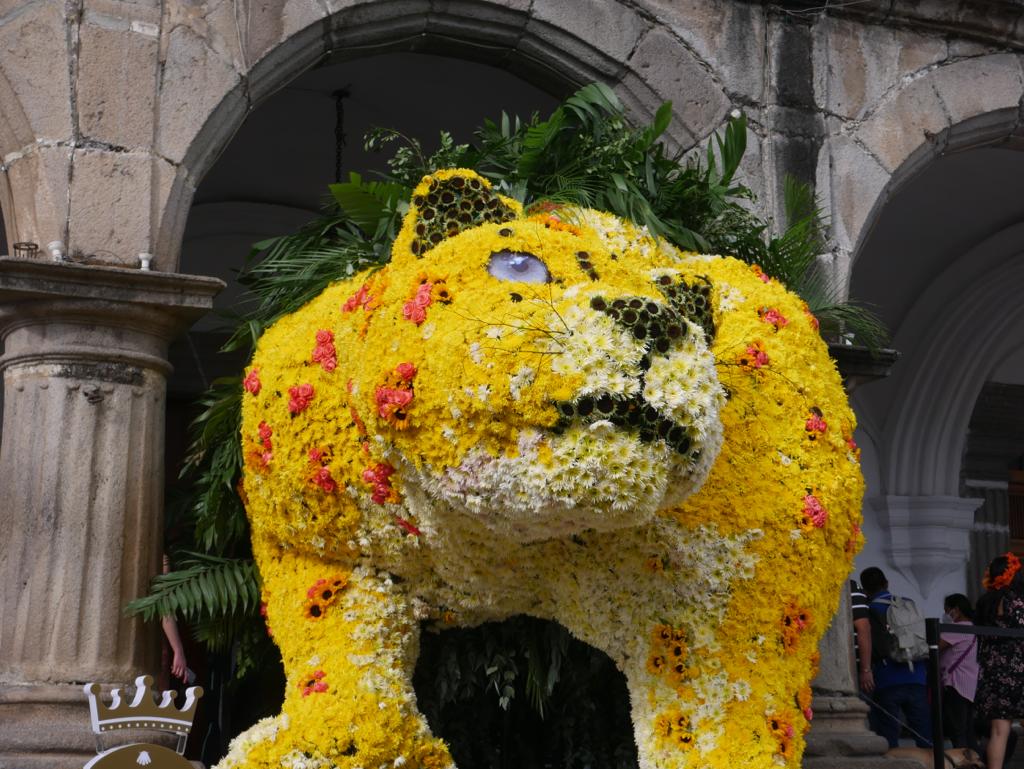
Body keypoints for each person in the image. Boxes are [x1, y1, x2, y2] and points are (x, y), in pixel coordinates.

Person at [860, 566, 932, 748]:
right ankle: (932, 761)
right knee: (924, 734)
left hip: (887, 678)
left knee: (888, 736)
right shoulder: (908, 603)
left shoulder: (870, 610)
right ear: (886, 583)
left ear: (865, 590)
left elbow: (875, 648)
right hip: (917, 675)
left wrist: (866, 670)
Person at [974, 553, 1024, 769]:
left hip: (993, 671)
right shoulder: (1016, 601)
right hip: (1017, 670)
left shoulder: (985, 602)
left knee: (998, 731)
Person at [938, 593, 979, 752]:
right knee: (968, 731)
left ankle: (964, 761)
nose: (946, 615)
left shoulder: (956, 628)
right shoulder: (974, 628)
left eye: (947, 610)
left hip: (956, 684)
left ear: (956, 610)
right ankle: (974, 760)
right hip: (971, 686)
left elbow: (934, 647)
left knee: (958, 731)